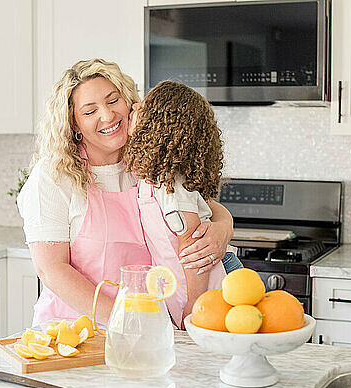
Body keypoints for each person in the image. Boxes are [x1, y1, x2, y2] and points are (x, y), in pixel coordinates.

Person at [17, 59, 235, 327]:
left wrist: (224, 227)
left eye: (112, 100)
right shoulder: (53, 175)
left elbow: (201, 205)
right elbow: (52, 270)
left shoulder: (147, 160)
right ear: (74, 125)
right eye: (89, 111)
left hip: (153, 326)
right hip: (80, 330)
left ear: (128, 101)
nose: (107, 116)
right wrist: (127, 321)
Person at [125, 80, 244, 324]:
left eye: (144, 107)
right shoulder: (154, 177)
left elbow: (193, 249)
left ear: (158, 126)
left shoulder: (171, 186)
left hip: (213, 280)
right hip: (195, 283)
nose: (135, 106)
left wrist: (193, 309)